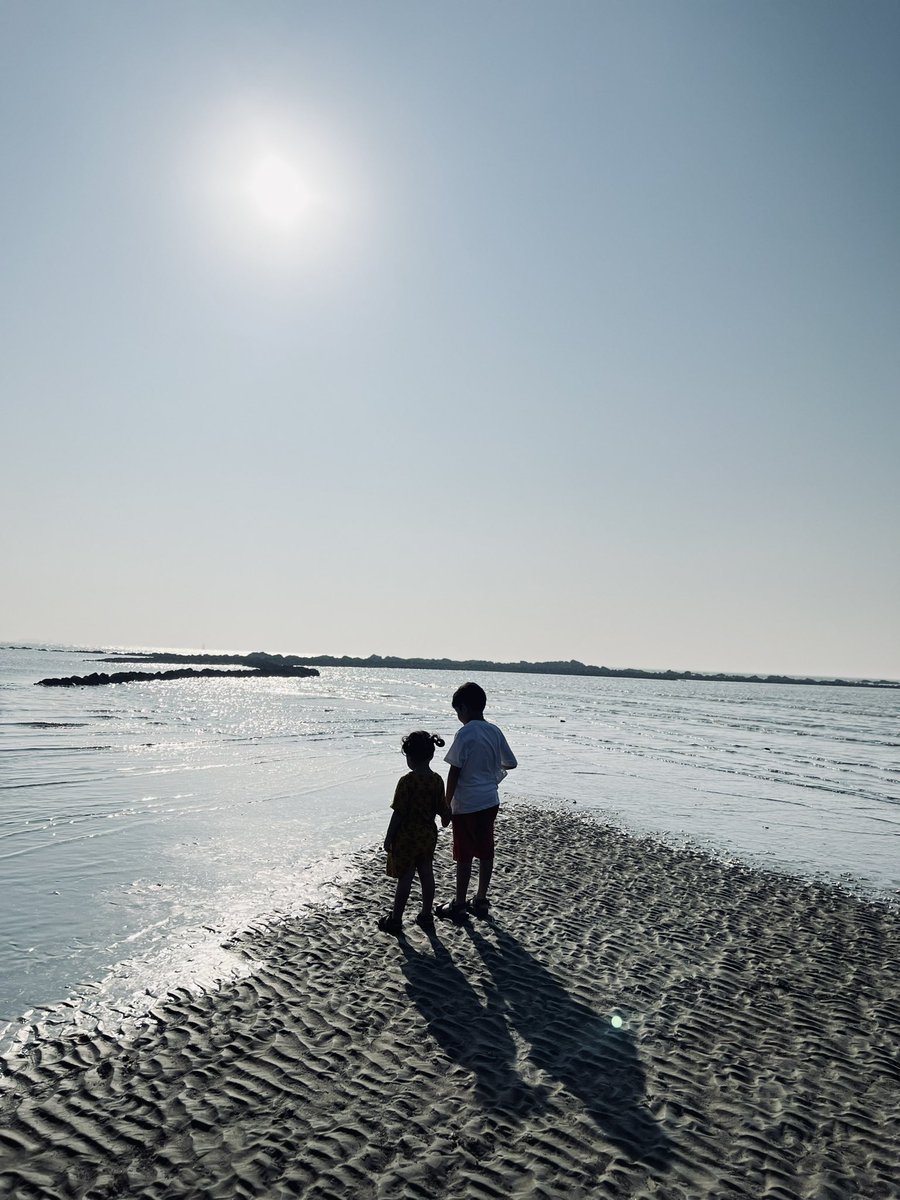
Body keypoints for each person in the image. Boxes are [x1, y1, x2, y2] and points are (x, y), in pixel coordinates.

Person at [436, 682, 517, 922]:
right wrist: (491, 770)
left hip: (466, 803)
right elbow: (510, 762)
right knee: (485, 849)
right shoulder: (494, 731)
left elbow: (454, 771)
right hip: (490, 800)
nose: (459, 717)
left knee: (464, 854)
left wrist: (446, 805)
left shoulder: (465, 732)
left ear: (465, 708)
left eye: (458, 711)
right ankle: (480, 899)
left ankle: (460, 903)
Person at [379, 731, 450, 935]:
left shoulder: (407, 781)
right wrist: (447, 817)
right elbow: (442, 809)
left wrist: (389, 837)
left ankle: (396, 919)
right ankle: (426, 915)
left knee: (406, 877)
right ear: (430, 755)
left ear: (410, 757)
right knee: (427, 874)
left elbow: (398, 813)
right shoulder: (437, 781)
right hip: (428, 835)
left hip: (407, 836)